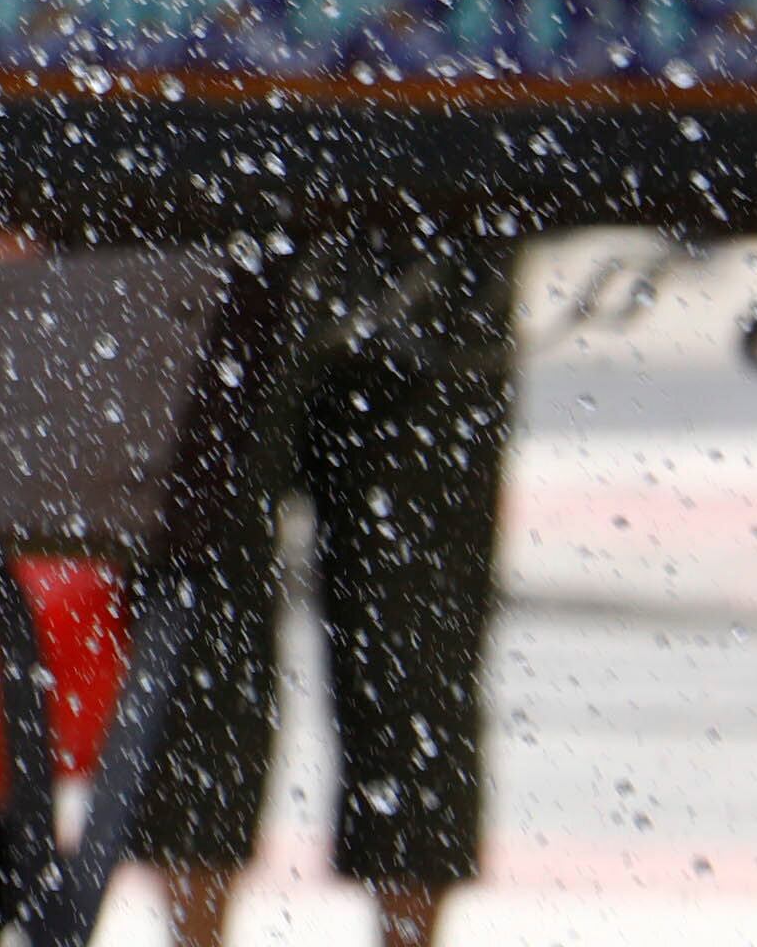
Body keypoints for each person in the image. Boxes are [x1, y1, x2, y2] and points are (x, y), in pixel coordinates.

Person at [133, 227, 515, 947]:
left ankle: (389, 927)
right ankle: (197, 933)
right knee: (203, 627)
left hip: (427, 223)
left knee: (419, 636)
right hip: (247, 216)